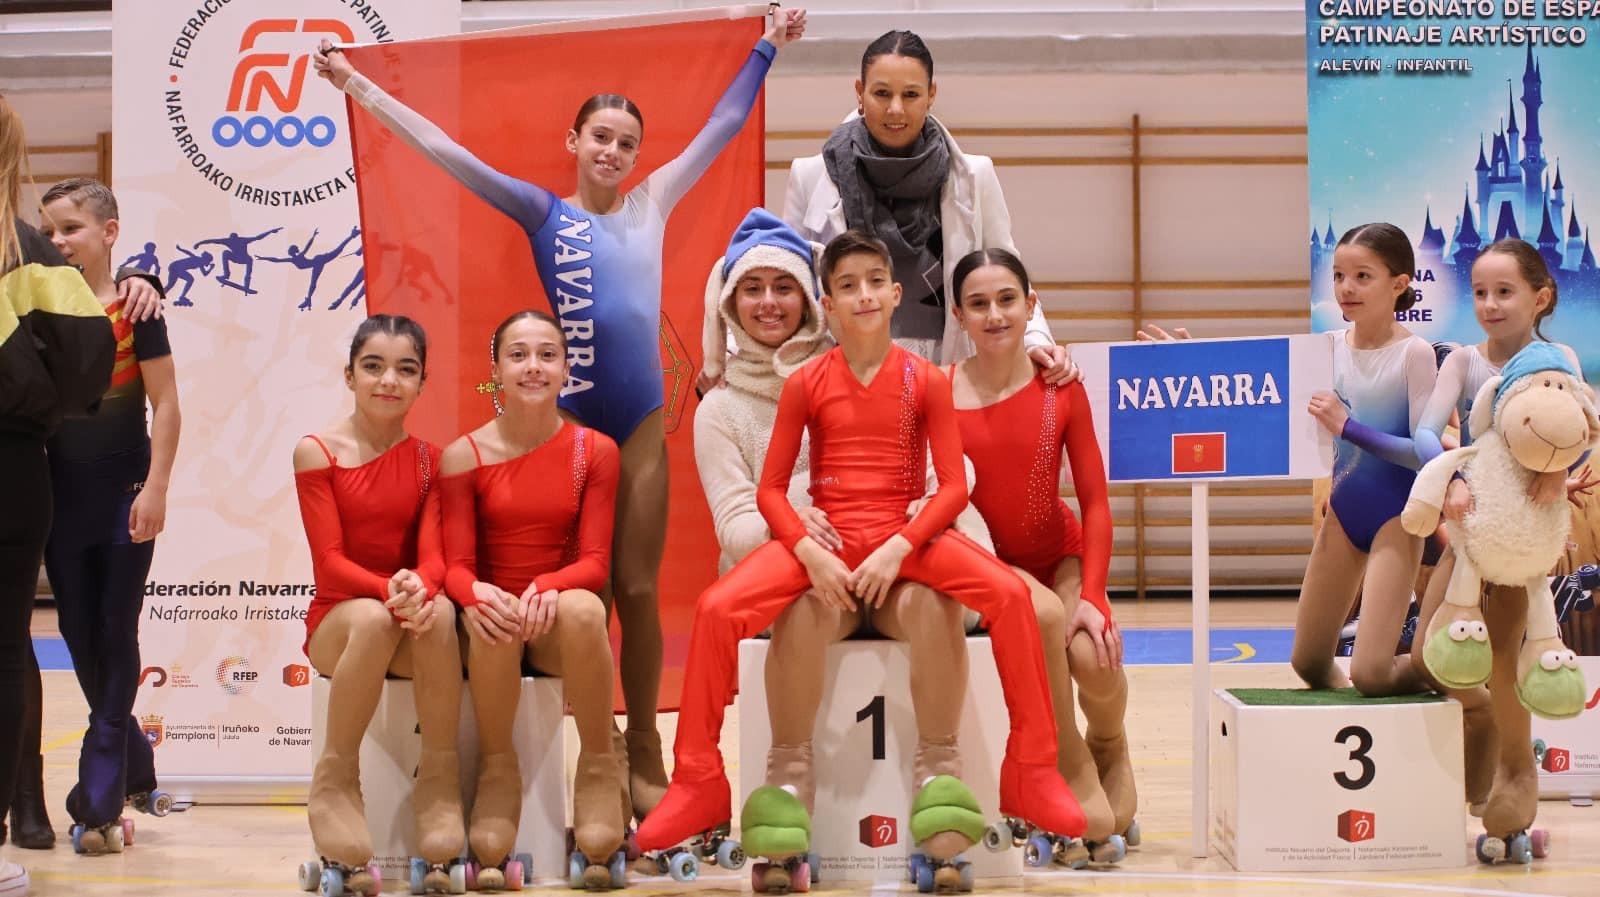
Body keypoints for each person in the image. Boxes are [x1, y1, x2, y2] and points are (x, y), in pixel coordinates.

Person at [313, 9, 808, 818]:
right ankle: (596, 752)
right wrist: (356, 84)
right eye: (600, 137)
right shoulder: (544, 212)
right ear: (573, 142)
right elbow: (448, 153)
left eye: (626, 142)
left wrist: (767, 48)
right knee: (585, 598)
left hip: (642, 423)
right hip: (569, 436)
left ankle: (644, 742)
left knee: (640, 589)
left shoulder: (654, 199)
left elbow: (723, 123)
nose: (612, 152)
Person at [635, 230, 1087, 858]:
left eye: (875, 282)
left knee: (1014, 596)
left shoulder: (926, 380)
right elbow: (769, 494)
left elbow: (954, 488)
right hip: (830, 540)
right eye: (847, 286)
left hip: (903, 540)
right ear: (829, 303)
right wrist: (809, 550)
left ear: (897, 293)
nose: (864, 295)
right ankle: (699, 780)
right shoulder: (805, 383)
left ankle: (1031, 771)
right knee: (715, 608)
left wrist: (901, 546)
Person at [691, 210, 987, 876]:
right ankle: (788, 777)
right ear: (731, 303)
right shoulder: (719, 409)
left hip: (892, 567)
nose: (768, 301)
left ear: (809, 300)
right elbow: (739, 528)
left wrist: (908, 518)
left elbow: (955, 471)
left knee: (937, 603)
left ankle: (940, 768)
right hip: (805, 579)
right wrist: (807, 524)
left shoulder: (878, 366)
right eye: (752, 288)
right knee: (798, 611)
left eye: (782, 285)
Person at [947, 248, 1136, 861]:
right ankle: (1065, 761)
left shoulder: (1061, 386)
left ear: (1031, 306)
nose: (994, 314)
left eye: (1007, 300)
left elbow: (1096, 502)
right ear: (959, 316)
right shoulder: (938, 395)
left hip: (1061, 560)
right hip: (989, 567)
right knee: (1038, 633)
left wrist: (1097, 595)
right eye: (978, 304)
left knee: (1093, 653)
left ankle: (1107, 741)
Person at [438, 311, 624, 889]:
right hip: (493, 627)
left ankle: (596, 763)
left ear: (566, 368)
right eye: (518, 355)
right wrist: (480, 596)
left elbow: (594, 564)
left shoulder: (595, 451)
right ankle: (498, 768)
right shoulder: (462, 456)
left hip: (551, 626)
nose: (533, 367)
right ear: (495, 371)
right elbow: (455, 568)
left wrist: (548, 584)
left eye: (547, 354)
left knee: (585, 607)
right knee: (487, 616)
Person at [1408, 239, 1583, 839]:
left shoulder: (1558, 357)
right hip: (1467, 539)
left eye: (1504, 292)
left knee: (1508, 660)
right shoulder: (1461, 360)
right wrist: (1453, 476)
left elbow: (1577, 425)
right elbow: (1427, 432)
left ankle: (1517, 775)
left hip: (1521, 546)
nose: (1489, 303)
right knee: (1429, 660)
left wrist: (1558, 467)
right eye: (1480, 291)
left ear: (1540, 297)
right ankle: (1485, 756)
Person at [29, 179, 180, 856]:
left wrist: (156, 486)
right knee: (75, 627)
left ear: (109, 231)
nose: (59, 240)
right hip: (59, 495)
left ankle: (96, 791)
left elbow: (168, 403)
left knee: (117, 626)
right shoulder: (36, 307)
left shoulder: (137, 305)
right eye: (51, 229)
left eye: (71, 228)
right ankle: (135, 765)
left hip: (124, 489)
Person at [780, 30, 1071, 381]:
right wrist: (736, 354)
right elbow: (788, 282)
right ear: (860, 92)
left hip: (949, 368)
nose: (895, 109)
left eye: (911, 94)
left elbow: (1006, 271)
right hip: (847, 373)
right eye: (882, 93)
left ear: (931, 95)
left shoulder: (974, 175)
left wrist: (1035, 340)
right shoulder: (811, 175)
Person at [291, 315, 463, 892]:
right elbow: (330, 564)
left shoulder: (429, 461)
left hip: (401, 618)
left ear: (421, 382)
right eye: (373, 366)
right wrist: (391, 590)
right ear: (349, 375)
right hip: (342, 623)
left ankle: (438, 779)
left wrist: (422, 586)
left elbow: (434, 557)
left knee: (439, 614)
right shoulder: (316, 453)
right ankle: (337, 778)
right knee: (371, 617)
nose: (389, 379)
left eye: (405, 369)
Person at [0, 94, 115, 894]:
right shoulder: (34, 256)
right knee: (5, 651)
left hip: (15, 466)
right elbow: (84, 373)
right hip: (15, 466)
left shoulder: (34, 253)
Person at [1290, 223, 1437, 697]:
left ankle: (1438, 666)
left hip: (1397, 517)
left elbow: (1422, 452)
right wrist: (1182, 363)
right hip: (1345, 515)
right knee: (1309, 664)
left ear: (1400, 283)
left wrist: (1347, 426)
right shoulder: (1325, 347)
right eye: (1337, 276)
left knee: (1371, 675)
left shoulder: (1415, 353)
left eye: (1362, 276)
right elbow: (1258, 394)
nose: (1346, 288)